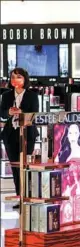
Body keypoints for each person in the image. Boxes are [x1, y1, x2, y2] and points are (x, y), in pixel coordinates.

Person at [0, 68, 39, 206]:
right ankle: (20, 197)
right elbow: (3, 114)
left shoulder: (32, 96)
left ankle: (28, 196)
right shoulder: (6, 96)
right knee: (16, 168)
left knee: (26, 167)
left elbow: (35, 115)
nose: (15, 80)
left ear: (24, 79)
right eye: (12, 77)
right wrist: (9, 112)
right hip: (10, 136)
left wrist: (22, 112)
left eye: (18, 77)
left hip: (28, 135)